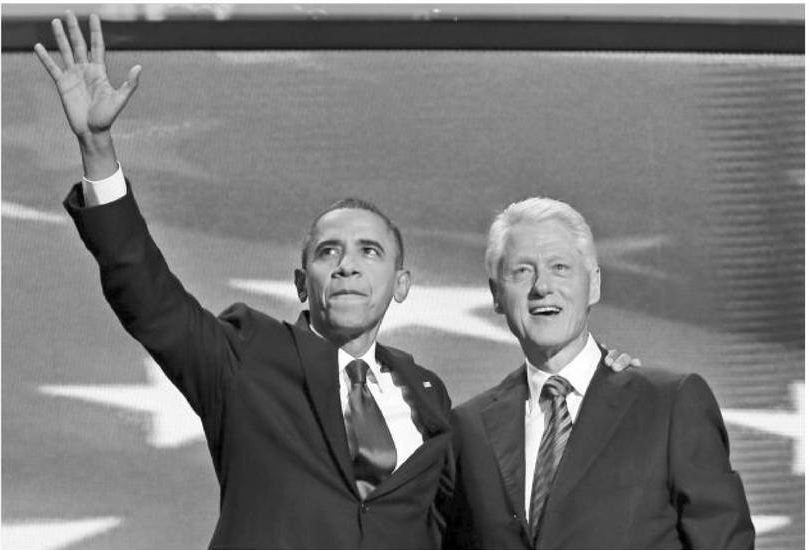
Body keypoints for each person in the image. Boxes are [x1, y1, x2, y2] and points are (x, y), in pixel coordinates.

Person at [35, 12, 637, 549]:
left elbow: (479, 521)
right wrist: (98, 150)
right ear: (303, 284)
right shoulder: (245, 358)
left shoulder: (429, 397)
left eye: (369, 251)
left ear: (400, 285)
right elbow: (149, 298)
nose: (348, 264)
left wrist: (595, 379)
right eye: (330, 252)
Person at [444, 197, 755, 549]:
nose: (542, 286)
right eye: (522, 271)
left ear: (593, 284)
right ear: (496, 295)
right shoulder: (468, 430)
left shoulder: (669, 405)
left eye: (560, 267)